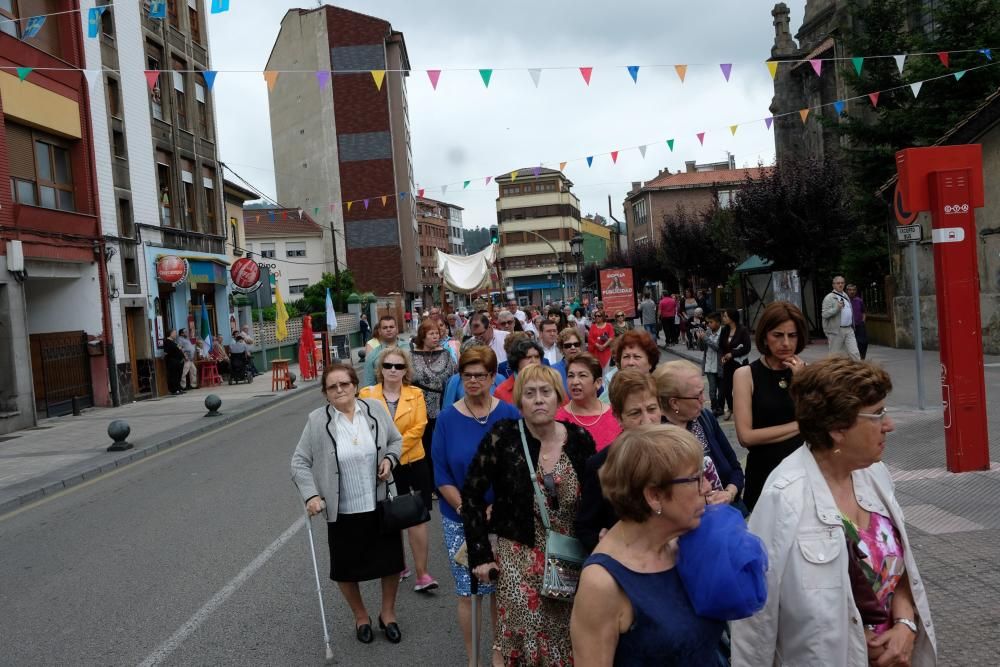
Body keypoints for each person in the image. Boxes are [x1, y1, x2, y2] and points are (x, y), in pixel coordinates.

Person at [731, 358, 937, 666]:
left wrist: (905, 624)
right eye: (877, 414)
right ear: (837, 429)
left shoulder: (873, 475)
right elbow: (755, 621)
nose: (889, 424)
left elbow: (897, 570)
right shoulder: (784, 498)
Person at [463, 365, 596, 666]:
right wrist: (481, 554)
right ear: (519, 401)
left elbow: (596, 500)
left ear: (558, 397)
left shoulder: (579, 439)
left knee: (568, 635)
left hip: (569, 558)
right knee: (520, 639)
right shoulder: (503, 437)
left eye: (545, 392)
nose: (538, 400)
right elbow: (471, 495)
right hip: (518, 559)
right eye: (530, 393)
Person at [571, 425, 725, 665]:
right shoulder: (602, 583)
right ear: (654, 496)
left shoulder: (684, 543)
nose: (707, 487)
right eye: (696, 478)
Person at [291, 363, 405, 645]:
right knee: (345, 568)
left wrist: (390, 460)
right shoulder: (317, 421)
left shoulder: (375, 410)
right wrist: (311, 495)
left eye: (344, 384)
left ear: (355, 385)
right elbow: (299, 462)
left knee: (390, 563)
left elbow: (396, 440)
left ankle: (388, 614)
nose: (340, 390)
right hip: (342, 510)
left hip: (379, 503)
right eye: (332, 386)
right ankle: (361, 616)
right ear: (325, 393)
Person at [432, 347, 521, 665]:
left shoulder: (509, 414)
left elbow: (519, 467)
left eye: (479, 375)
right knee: (469, 591)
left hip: (502, 517)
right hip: (459, 518)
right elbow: (441, 476)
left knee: (501, 591)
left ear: (492, 376)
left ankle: (500, 656)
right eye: (466, 375)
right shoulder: (446, 419)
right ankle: (474, 660)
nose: (472, 381)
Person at [358, 348, 438, 593]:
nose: (393, 370)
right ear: (380, 368)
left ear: (406, 371)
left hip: (412, 463)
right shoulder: (366, 395)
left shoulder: (415, 394)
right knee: (390, 517)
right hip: (381, 467)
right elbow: (362, 429)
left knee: (416, 518)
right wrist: (384, 459)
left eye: (399, 366)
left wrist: (391, 456)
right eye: (389, 365)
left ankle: (423, 574)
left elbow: (418, 428)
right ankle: (399, 565)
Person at [732, 301, 808, 511]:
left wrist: (802, 384)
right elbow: (746, 437)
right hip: (765, 472)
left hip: (804, 471)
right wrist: (800, 426)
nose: (785, 343)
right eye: (778, 335)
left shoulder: (805, 372)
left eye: (792, 335)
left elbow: (820, 422)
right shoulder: (746, 375)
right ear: (765, 335)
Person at [576, 370, 662, 553]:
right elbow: (585, 528)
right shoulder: (601, 465)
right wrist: (602, 539)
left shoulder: (679, 453)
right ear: (617, 417)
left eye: (652, 409)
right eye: (635, 413)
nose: (647, 420)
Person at [654, 359, 745, 512]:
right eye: (698, 395)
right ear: (674, 403)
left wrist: (729, 493)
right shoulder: (658, 439)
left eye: (703, 392)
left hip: (729, 512)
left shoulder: (705, 418)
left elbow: (735, 468)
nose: (704, 400)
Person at [410, 319, 458, 491]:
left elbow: (454, 375)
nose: (435, 337)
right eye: (431, 334)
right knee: (422, 445)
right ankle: (426, 484)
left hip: (442, 405)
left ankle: (442, 483)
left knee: (439, 447)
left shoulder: (446, 354)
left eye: (437, 333)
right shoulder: (412, 355)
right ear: (423, 336)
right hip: (418, 407)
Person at [556, 353, 621, 452]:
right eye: (570, 376)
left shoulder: (616, 415)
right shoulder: (557, 419)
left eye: (582, 375)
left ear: (598, 383)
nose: (575, 382)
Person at [601, 329, 660, 402]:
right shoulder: (610, 393)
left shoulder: (660, 391)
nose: (630, 362)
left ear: (650, 363)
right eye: (626, 357)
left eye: (637, 357)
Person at [718, 308, 750, 420]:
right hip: (728, 364)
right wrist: (723, 356)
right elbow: (721, 345)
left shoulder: (743, 330)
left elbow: (747, 348)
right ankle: (730, 408)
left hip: (740, 364)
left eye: (726, 316)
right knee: (727, 388)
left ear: (732, 317)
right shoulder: (724, 330)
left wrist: (732, 354)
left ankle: (743, 409)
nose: (723, 318)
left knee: (740, 388)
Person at [493, 335, 544, 405]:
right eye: (528, 357)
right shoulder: (501, 391)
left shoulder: (552, 383)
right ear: (516, 361)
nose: (533, 361)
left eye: (537, 357)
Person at [362, 316, 410, 388]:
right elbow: (368, 385)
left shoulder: (409, 347)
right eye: (385, 328)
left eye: (391, 327)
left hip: (410, 395)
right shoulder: (372, 355)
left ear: (397, 329)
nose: (388, 329)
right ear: (379, 331)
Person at [822, 275, 861, 361]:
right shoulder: (829, 298)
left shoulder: (845, 295)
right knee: (834, 356)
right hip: (836, 330)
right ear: (833, 285)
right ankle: (831, 373)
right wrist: (837, 308)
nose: (840, 285)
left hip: (849, 329)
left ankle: (860, 373)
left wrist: (853, 326)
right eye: (838, 283)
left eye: (842, 283)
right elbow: (825, 314)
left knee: (854, 353)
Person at [699, 312, 724, 416]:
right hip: (709, 366)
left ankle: (720, 408)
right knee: (712, 390)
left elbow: (717, 347)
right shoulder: (708, 333)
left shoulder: (723, 333)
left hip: (719, 366)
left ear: (718, 323)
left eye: (711, 322)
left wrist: (705, 338)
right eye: (708, 322)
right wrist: (700, 339)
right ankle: (714, 408)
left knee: (721, 390)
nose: (709, 324)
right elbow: (701, 348)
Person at [847, 283, 868, 360]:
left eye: (853, 290)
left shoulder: (859, 301)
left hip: (859, 325)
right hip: (849, 326)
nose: (852, 292)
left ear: (856, 291)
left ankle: (862, 358)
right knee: (851, 344)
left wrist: (863, 321)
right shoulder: (845, 301)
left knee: (863, 342)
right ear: (847, 291)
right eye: (850, 290)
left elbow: (864, 312)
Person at [163, 329, 185, 395]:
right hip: (173, 362)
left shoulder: (174, 342)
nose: (176, 334)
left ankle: (178, 388)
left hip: (179, 361)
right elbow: (167, 352)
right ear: (170, 333)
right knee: (173, 376)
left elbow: (178, 349)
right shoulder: (167, 342)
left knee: (178, 376)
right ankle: (174, 390)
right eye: (174, 333)